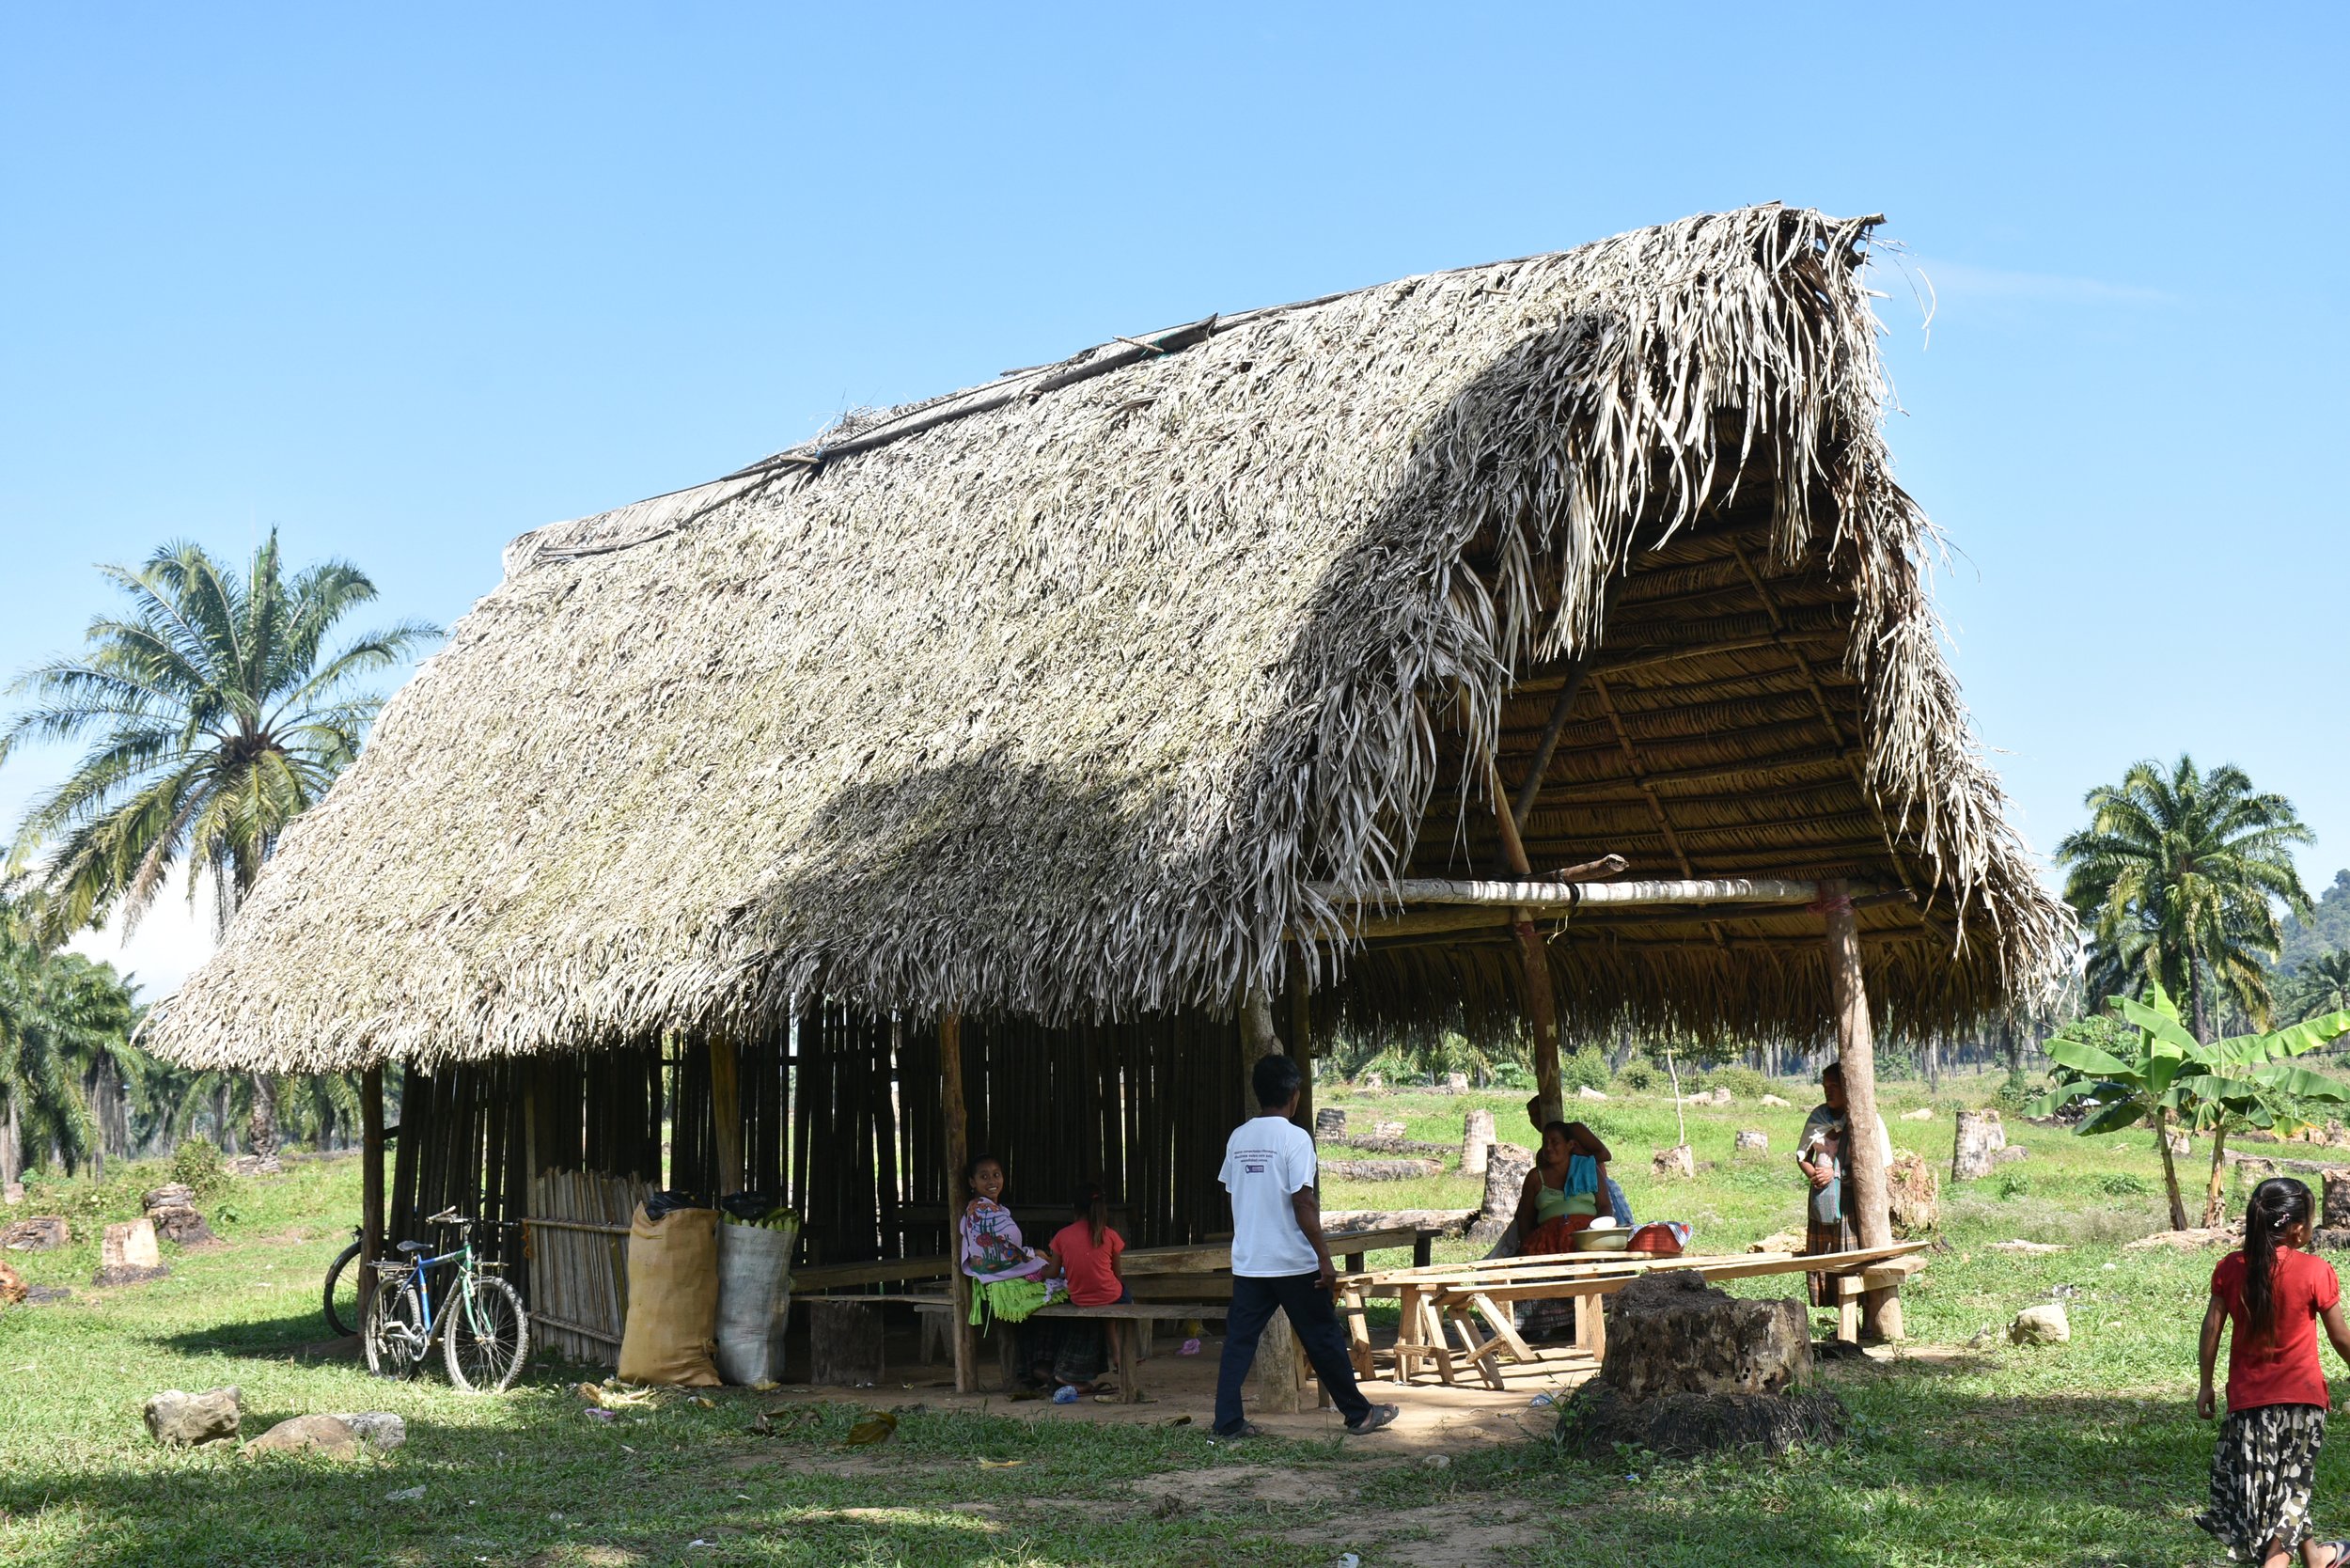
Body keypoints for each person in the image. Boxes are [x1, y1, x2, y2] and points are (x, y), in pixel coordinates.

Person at [1214, 1052, 1399, 1438]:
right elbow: (1303, 1202)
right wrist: (1324, 1259)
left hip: (1251, 1261)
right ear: (1295, 1094)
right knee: (1322, 1338)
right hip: (1293, 1262)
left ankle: (1227, 1422)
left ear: (1258, 1092)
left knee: (1239, 1343)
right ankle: (1359, 1415)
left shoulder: (1238, 1137)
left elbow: (1236, 1191)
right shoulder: (1296, 1139)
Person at [2196, 1177, 2350, 1567]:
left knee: (2277, 1490)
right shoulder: (2316, 1270)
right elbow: (2340, 1337)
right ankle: (2278, 1562)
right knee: (2291, 1490)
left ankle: (2318, 1559)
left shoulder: (2231, 1267)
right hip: (2303, 1404)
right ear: (2297, 1228)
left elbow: (2212, 1327)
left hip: (2248, 1405)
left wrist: (2205, 1385)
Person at [958, 1153, 1061, 1383]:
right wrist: (1033, 1254)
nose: (992, 1181)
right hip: (1000, 1279)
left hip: (1007, 1273)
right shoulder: (981, 1212)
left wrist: (1032, 1254)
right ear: (972, 1182)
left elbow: (1006, 1246)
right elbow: (998, 1252)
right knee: (1061, 1291)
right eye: (984, 1176)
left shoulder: (995, 1210)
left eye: (996, 1174)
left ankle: (1038, 1366)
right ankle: (1040, 1365)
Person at [1794, 1062, 1889, 1308]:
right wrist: (1815, 1175)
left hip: (1851, 1202)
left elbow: (1876, 1165)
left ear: (1847, 1087)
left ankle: (1861, 1314)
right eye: (1825, 1086)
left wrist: (1837, 1175)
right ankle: (1837, 1310)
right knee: (1825, 1255)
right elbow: (1802, 1156)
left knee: (1851, 1258)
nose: (1828, 1091)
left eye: (1835, 1086)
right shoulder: (1818, 1117)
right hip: (1822, 1201)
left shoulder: (1865, 1119)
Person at [1045, 1180, 1127, 1393]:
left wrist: (1038, 1271)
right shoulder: (1110, 1235)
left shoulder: (1062, 1236)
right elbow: (1117, 1275)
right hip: (1109, 1295)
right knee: (1119, 1297)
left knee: (1105, 1302)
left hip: (1080, 1298)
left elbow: (1053, 1273)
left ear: (1074, 1208)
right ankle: (1118, 1353)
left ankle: (1115, 1354)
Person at [1513, 1120, 1612, 1255]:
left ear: (1570, 1145)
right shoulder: (1535, 1177)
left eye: (1555, 1142)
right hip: (1547, 1242)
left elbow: (1605, 1207)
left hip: (1587, 1238)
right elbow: (1525, 1217)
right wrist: (1527, 1246)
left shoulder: (1589, 1169)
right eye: (1545, 1142)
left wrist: (1593, 1233)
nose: (1548, 1148)